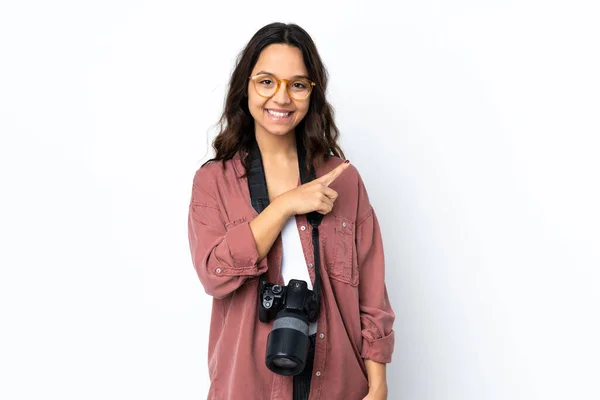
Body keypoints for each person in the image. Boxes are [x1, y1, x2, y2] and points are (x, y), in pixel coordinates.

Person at [187, 22, 395, 400]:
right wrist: (284, 206)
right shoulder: (213, 181)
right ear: (245, 87)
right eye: (267, 81)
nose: (281, 98)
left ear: (311, 94)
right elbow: (213, 275)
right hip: (249, 384)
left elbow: (372, 294)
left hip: (337, 382)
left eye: (297, 85)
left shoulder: (342, 178)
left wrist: (378, 385)